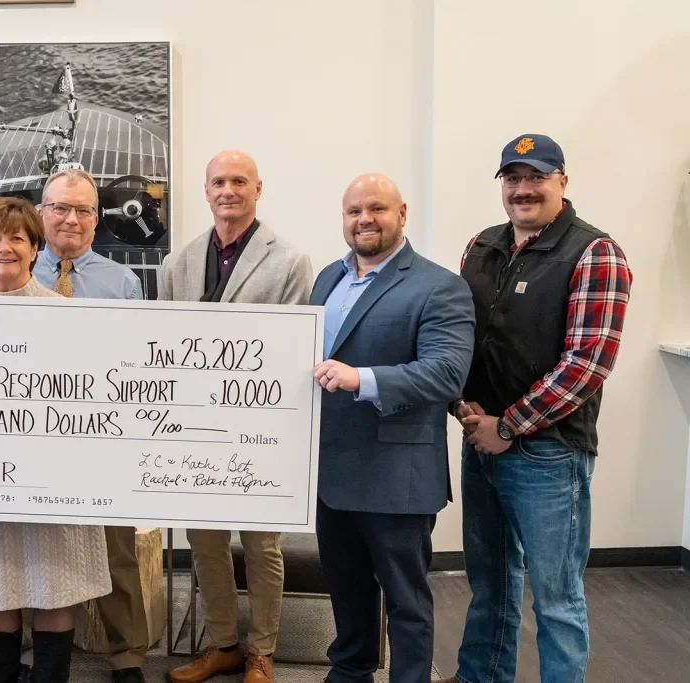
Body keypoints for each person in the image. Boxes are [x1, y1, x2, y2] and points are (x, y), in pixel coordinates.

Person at [435, 135, 632, 683]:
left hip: (548, 454)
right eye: (512, 178)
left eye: (536, 177)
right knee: (490, 585)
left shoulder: (596, 253)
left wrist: (511, 424)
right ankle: (480, 677)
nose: (523, 189)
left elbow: (588, 363)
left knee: (557, 599)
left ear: (562, 182)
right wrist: (463, 404)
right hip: (481, 442)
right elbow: (462, 334)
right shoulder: (482, 245)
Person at [311, 173, 474, 683]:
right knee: (347, 592)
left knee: (405, 602)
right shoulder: (326, 279)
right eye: (354, 211)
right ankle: (350, 673)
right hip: (332, 476)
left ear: (402, 213)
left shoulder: (439, 285)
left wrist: (362, 378)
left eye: (376, 209)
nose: (365, 220)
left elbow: (448, 372)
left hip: (396, 478)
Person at [161, 150, 313, 683]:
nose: (228, 190)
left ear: (257, 189)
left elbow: (291, 348)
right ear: (205, 191)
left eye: (239, 181)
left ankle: (261, 652)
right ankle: (222, 644)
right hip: (195, 428)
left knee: (260, 544)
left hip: (258, 431)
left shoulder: (290, 262)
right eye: (218, 181)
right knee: (202, 542)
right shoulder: (176, 263)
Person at [0, 196, 112, 683]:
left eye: (17, 238)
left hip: (55, 486)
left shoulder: (68, 314)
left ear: (35, 246)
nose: (4, 248)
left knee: (55, 588)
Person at [31, 168, 150, 683]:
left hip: (105, 441)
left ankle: (127, 658)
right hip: (32, 440)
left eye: (82, 210)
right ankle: (36, 657)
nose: (70, 219)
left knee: (118, 554)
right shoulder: (12, 270)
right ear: (41, 214)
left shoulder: (122, 281)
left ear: (97, 220)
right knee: (35, 552)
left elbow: (142, 360)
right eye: (60, 207)